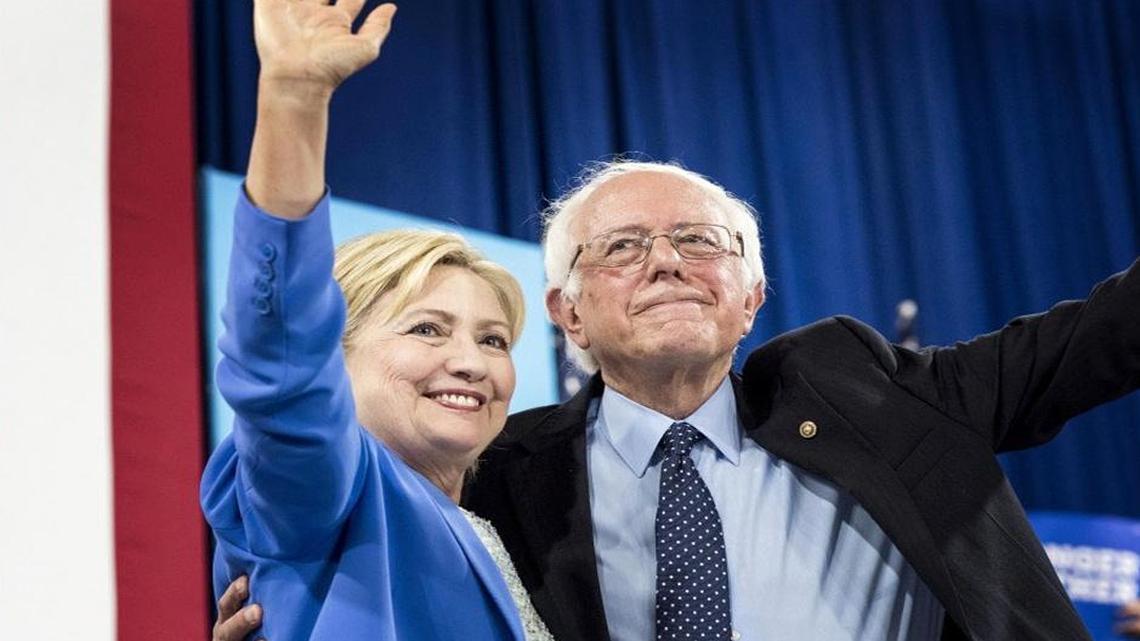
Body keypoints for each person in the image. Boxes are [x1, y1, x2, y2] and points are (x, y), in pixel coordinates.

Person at [211, 12, 1140, 641]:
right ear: (567, 314)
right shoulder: (496, 479)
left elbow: (1106, 334)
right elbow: (291, 417)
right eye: (620, 247)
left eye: (701, 240)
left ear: (753, 294)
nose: (665, 260)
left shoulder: (880, 396)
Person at [200, 0, 554, 639]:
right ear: (335, 356)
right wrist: (295, 98)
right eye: (427, 328)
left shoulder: (494, 532)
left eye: (494, 340)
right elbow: (279, 358)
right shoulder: (323, 488)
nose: (472, 362)